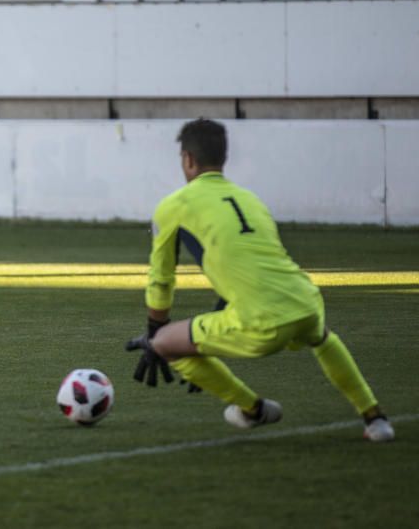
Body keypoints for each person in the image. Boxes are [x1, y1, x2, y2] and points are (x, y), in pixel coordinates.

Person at [125, 118, 394, 442]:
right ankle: (375, 419)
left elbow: (161, 278)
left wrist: (155, 334)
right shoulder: (250, 200)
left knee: (167, 345)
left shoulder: (173, 206)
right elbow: (253, 265)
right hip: (305, 301)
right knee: (321, 338)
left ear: (187, 159)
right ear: (222, 158)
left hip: (262, 320)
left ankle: (254, 409)